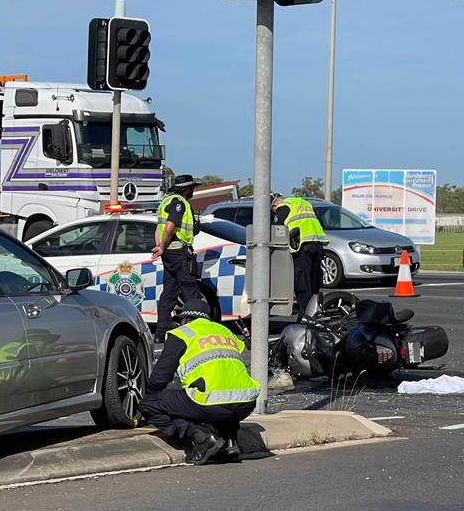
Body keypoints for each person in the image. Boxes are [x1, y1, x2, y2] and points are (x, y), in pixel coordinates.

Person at [138, 301, 260, 465]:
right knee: (217, 400)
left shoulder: (183, 334)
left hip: (211, 402)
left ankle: (200, 436)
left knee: (149, 404)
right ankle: (230, 440)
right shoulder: (225, 332)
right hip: (246, 402)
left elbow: (160, 378)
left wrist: (152, 395)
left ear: (187, 318)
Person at [151, 174, 204, 342]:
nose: (194, 191)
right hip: (179, 253)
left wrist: (160, 247)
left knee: (170, 292)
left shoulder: (165, 201)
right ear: (187, 189)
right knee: (191, 291)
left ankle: (161, 331)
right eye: (193, 188)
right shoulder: (179, 203)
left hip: (169, 255)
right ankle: (198, 330)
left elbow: (158, 228)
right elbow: (169, 226)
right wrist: (163, 247)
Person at [272, 192, 329, 319]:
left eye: (272, 207)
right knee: (314, 283)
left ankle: (305, 317)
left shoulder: (283, 207)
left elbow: (276, 229)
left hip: (302, 248)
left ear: (276, 201)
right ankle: (315, 313)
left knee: (302, 284)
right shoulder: (304, 203)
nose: (274, 210)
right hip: (317, 245)